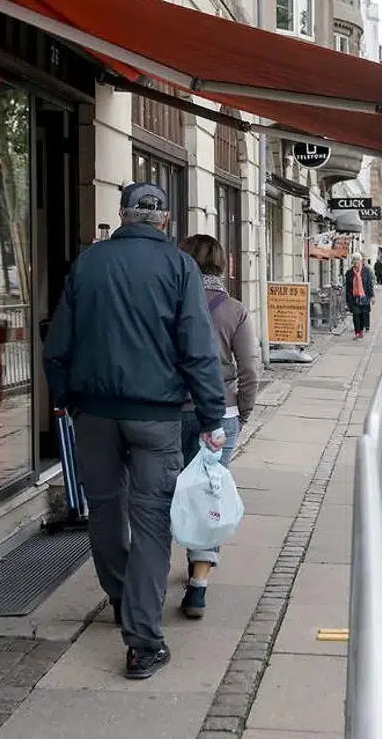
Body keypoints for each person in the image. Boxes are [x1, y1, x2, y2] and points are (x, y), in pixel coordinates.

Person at [43, 182, 227, 681]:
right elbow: (196, 346)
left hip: (95, 415)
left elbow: (57, 341)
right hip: (156, 417)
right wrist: (212, 416)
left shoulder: (88, 263)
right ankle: (143, 643)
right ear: (165, 220)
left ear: (122, 216)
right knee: (151, 524)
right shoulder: (179, 267)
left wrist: (63, 401)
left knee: (105, 509)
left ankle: (122, 597)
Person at [175, 234, 259, 619]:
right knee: (210, 494)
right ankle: (198, 584)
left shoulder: (172, 302)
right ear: (222, 264)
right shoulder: (235, 310)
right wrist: (242, 413)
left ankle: (151, 572)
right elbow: (250, 370)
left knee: (166, 491)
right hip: (220, 413)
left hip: (172, 412)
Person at [345, 252, 375, 338]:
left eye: (357, 259)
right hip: (354, 298)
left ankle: (361, 330)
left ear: (361, 261)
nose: (356, 262)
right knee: (356, 314)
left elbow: (369, 285)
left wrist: (372, 296)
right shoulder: (349, 273)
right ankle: (357, 331)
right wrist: (347, 301)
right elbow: (348, 288)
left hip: (364, 297)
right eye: (354, 259)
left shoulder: (366, 271)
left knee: (362, 315)